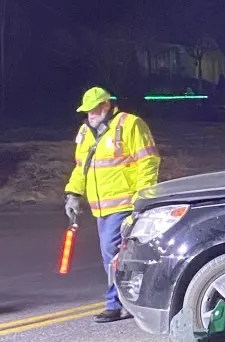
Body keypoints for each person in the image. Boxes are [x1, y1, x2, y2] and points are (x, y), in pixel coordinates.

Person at [64, 87, 161, 324]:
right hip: (101, 208)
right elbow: (81, 167)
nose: (90, 114)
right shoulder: (85, 132)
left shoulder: (130, 124)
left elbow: (148, 161)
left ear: (106, 105)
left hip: (126, 203)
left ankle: (115, 304)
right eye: (87, 111)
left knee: (111, 254)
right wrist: (73, 194)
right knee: (116, 256)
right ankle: (131, 300)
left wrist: (143, 197)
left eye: (94, 109)